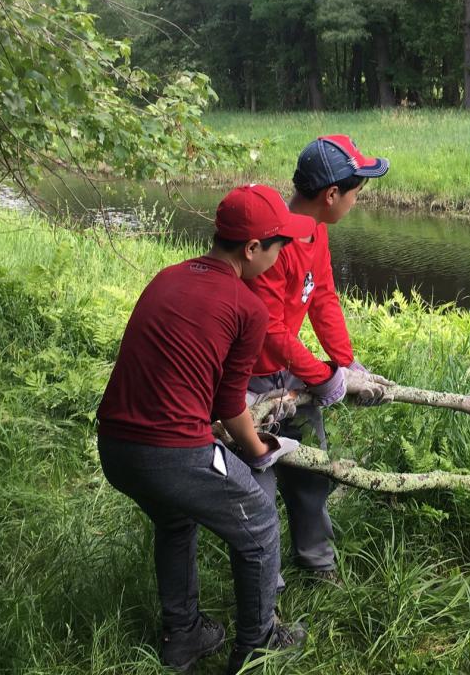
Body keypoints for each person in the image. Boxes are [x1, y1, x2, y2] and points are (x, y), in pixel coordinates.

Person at [96, 184, 313, 674]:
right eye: (279, 245)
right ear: (252, 248)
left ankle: (184, 636)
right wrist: (259, 448)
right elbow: (229, 406)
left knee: (176, 519)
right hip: (172, 451)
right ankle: (259, 644)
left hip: (115, 447)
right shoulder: (248, 307)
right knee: (259, 522)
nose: (283, 254)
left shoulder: (168, 276)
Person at [245, 135, 390, 582]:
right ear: (331, 195)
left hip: (290, 374)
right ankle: (266, 591)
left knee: (312, 468)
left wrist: (346, 363)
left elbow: (323, 296)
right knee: (258, 490)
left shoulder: (316, 231)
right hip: (247, 386)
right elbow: (269, 332)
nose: (356, 201)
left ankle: (317, 563)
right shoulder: (274, 245)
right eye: (356, 192)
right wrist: (324, 378)